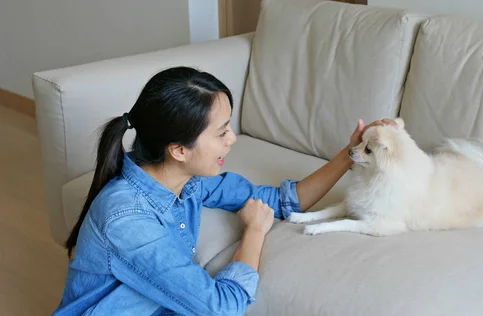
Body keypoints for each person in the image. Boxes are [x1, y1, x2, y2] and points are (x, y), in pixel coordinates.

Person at [53, 66, 395, 316]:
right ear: (179, 150)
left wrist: (350, 155)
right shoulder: (127, 219)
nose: (232, 140)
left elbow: (281, 201)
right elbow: (221, 307)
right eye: (221, 132)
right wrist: (255, 232)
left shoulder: (186, 181)